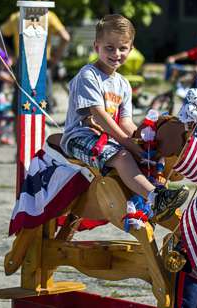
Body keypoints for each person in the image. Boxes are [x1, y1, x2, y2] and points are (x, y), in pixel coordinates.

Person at [60, 15, 189, 223]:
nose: (116, 54)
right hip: (79, 137)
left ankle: (153, 190)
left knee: (149, 154)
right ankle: (155, 197)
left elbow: (125, 122)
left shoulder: (123, 84)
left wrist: (144, 141)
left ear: (130, 49)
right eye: (109, 48)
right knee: (122, 156)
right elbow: (99, 115)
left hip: (109, 137)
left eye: (122, 48)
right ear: (96, 46)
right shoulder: (88, 76)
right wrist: (127, 142)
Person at [0, 10, 71, 112]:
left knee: (20, 108)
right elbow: (66, 37)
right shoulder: (48, 16)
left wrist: (10, 54)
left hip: (23, 64)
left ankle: (22, 127)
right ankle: (41, 126)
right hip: (42, 64)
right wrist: (56, 58)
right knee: (42, 108)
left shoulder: (17, 16)